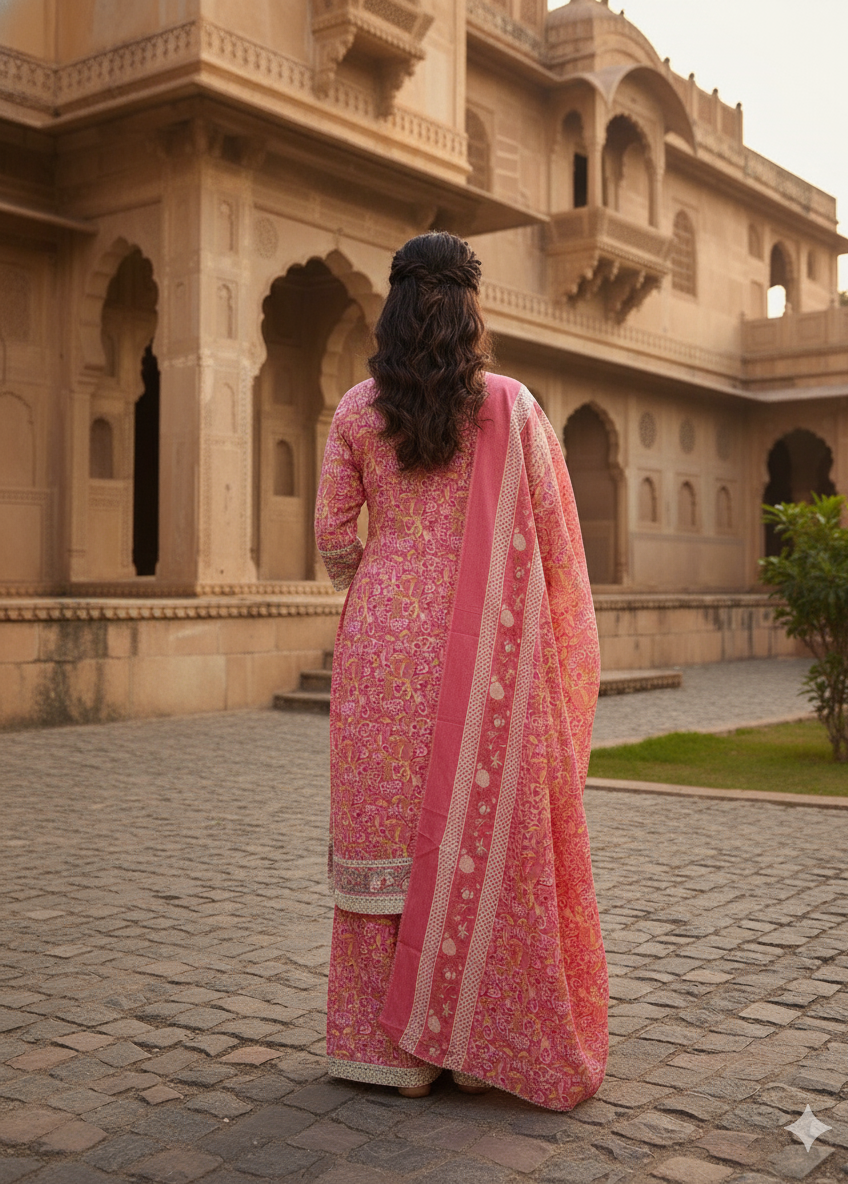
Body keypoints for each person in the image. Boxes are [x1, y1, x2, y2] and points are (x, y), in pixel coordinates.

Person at [314, 231, 607, 1112]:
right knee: (483, 830)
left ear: (393, 308)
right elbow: (556, 543)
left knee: (384, 838)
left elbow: (334, 540)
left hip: (382, 644)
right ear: (471, 309)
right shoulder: (513, 408)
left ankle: (390, 1054)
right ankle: (480, 1042)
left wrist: (381, 575)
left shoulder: (358, 409)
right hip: (489, 651)